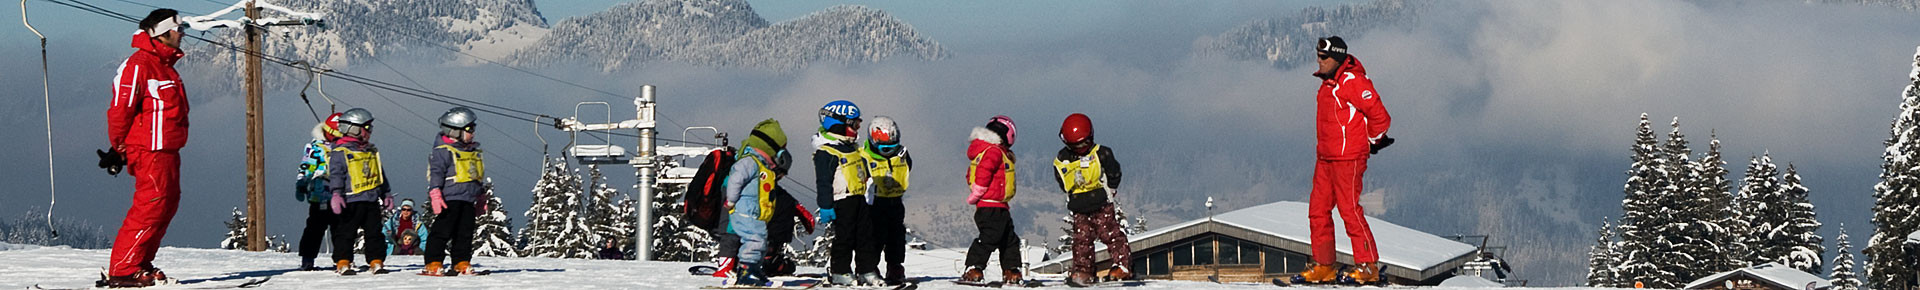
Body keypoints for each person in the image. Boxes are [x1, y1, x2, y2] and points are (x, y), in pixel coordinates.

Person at [1289, 36, 1394, 285]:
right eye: (1318, 55)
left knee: (1349, 211)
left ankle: (1368, 266)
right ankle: (1324, 265)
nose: (1319, 60)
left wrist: (1372, 141)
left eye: (1324, 57)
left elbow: (1380, 117)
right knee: (1317, 211)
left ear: (1336, 58)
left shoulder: (1353, 81)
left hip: (1348, 158)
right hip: (1325, 157)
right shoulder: (1328, 84)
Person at [102, 8, 192, 287]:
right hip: (149, 150)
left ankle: (140, 260)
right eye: (177, 29)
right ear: (161, 32)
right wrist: (118, 147)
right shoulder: (139, 65)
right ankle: (123, 268)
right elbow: (120, 109)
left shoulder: (164, 66)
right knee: (151, 206)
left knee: (167, 204)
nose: (182, 34)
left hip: (168, 149)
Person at [1051, 113, 1131, 287]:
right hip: (1080, 207)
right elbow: (1062, 181)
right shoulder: (1062, 160)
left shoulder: (1101, 154)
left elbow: (1114, 172)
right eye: (1076, 145)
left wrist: (1111, 188)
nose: (1080, 148)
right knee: (1082, 240)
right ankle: (1083, 270)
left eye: (1084, 144)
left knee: (1110, 233)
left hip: (1101, 204)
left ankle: (1122, 265)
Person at [810, 100, 873, 285]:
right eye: (854, 124)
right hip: (842, 200)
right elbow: (823, 182)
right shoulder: (827, 152)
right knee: (844, 237)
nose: (857, 129)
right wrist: (826, 205)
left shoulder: (852, 148)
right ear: (839, 125)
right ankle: (840, 270)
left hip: (859, 197)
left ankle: (866, 270)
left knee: (865, 236)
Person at [722, 119, 791, 286]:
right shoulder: (749, 161)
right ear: (769, 147)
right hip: (745, 211)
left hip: (755, 213)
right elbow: (735, 180)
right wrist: (731, 200)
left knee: (760, 240)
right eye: (779, 149)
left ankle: (753, 269)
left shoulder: (762, 165)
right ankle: (747, 271)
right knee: (755, 240)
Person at [423, 107, 488, 276]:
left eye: (473, 129)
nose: (473, 133)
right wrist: (435, 192)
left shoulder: (472, 152)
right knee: (442, 231)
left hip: (468, 199)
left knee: (465, 233)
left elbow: (476, 175)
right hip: (449, 199)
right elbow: (436, 172)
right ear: (455, 131)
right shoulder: (443, 150)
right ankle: (433, 262)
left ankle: (461, 261)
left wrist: (480, 196)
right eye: (469, 130)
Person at [328, 108, 394, 275]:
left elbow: (379, 172)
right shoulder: (341, 152)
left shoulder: (370, 151)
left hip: (370, 199)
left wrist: (386, 193)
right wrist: (336, 193)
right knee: (346, 232)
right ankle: (343, 260)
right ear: (354, 129)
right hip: (350, 200)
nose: (370, 132)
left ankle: (376, 260)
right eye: (367, 128)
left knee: (374, 232)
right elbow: (336, 174)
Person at [961, 116, 1023, 285]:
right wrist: (979, 190)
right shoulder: (993, 151)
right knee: (990, 237)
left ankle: (1011, 269)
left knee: (1009, 239)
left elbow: (969, 174)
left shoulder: (991, 151)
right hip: (989, 206)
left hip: (1000, 205)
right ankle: (973, 268)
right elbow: (983, 171)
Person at [859, 116, 914, 285]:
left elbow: (907, 167)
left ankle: (895, 266)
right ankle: (869, 267)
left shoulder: (902, 154)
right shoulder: (864, 156)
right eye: (883, 144)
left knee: (896, 235)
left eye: (891, 143)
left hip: (895, 201)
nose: (888, 149)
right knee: (874, 236)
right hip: (874, 203)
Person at [295, 114, 342, 271]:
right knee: (315, 228)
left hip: (340, 196)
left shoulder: (344, 147)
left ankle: (341, 259)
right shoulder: (315, 148)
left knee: (340, 229)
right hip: (320, 195)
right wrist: (302, 183)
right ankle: (308, 259)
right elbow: (306, 166)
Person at [760, 186, 815, 277]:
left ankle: (773, 264)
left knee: (770, 243)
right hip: (771, 228)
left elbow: (795, 205)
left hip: (774, 229)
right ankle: (770, 264)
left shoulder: (783, 196)